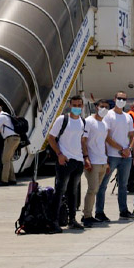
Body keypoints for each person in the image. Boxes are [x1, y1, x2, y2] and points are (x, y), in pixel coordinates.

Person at [46, 95, 87, 231]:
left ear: (82, 106)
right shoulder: (62, 119)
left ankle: (72, 219)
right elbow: (51, 138)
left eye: (79, 105)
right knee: (60, 190)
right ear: (70, 105)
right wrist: (59, 154)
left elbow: (81, 140)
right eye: (74, 105)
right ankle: (54, 221)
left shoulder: (82, 121)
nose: (76, 107)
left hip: (78, 160)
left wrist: (84, 157)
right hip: (65, 160)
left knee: (73, 192)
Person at [99, 91, 134, 220]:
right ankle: (99, 212)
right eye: (119, 98)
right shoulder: (108, 115)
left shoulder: (127, 117)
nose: (121, 100)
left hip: (126, 156)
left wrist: (129, 149)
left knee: (123, 185)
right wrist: (121, 149)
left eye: (124, 99)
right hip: (112, 155)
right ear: (114, 99)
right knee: (103, 184)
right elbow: (106, 137)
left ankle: (123, 210)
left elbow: (132, 136)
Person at [80, 99, 110, 227]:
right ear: (96, 107)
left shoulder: (104, 124)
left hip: (102, 161)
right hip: (93, 161)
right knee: (92, 189)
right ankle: (86, 216)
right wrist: (86, 157)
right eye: (102, 106)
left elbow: (103, 142)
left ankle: (90, 214)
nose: (104, 109)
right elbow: (83, 140)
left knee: (96, 189)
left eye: (106, 107)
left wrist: (106, 160)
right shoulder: (89, 121)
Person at [0, 104, 20, 185]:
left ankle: (4, 181)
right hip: (14, 138)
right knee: (9, 159)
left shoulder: (1, 116)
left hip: (11, 139)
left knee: (5, 159)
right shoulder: (6, 115)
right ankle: (12, 179)